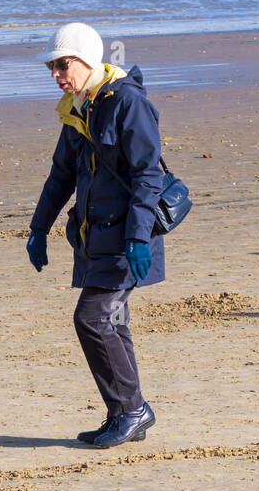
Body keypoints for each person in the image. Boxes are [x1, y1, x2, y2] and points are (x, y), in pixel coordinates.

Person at [26, 23, 164, 448]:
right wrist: (39, 227)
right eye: (51, 66)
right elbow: (61, 174)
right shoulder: (77, 108)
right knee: (111, 322)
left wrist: (139, 238)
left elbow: (148, 174)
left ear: (85, 60)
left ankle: (133, 410)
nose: (55, 74)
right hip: (93, 237)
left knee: (92, 318)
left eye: (61, 64)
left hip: (128, 239)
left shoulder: (128, 103)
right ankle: (125, 412)